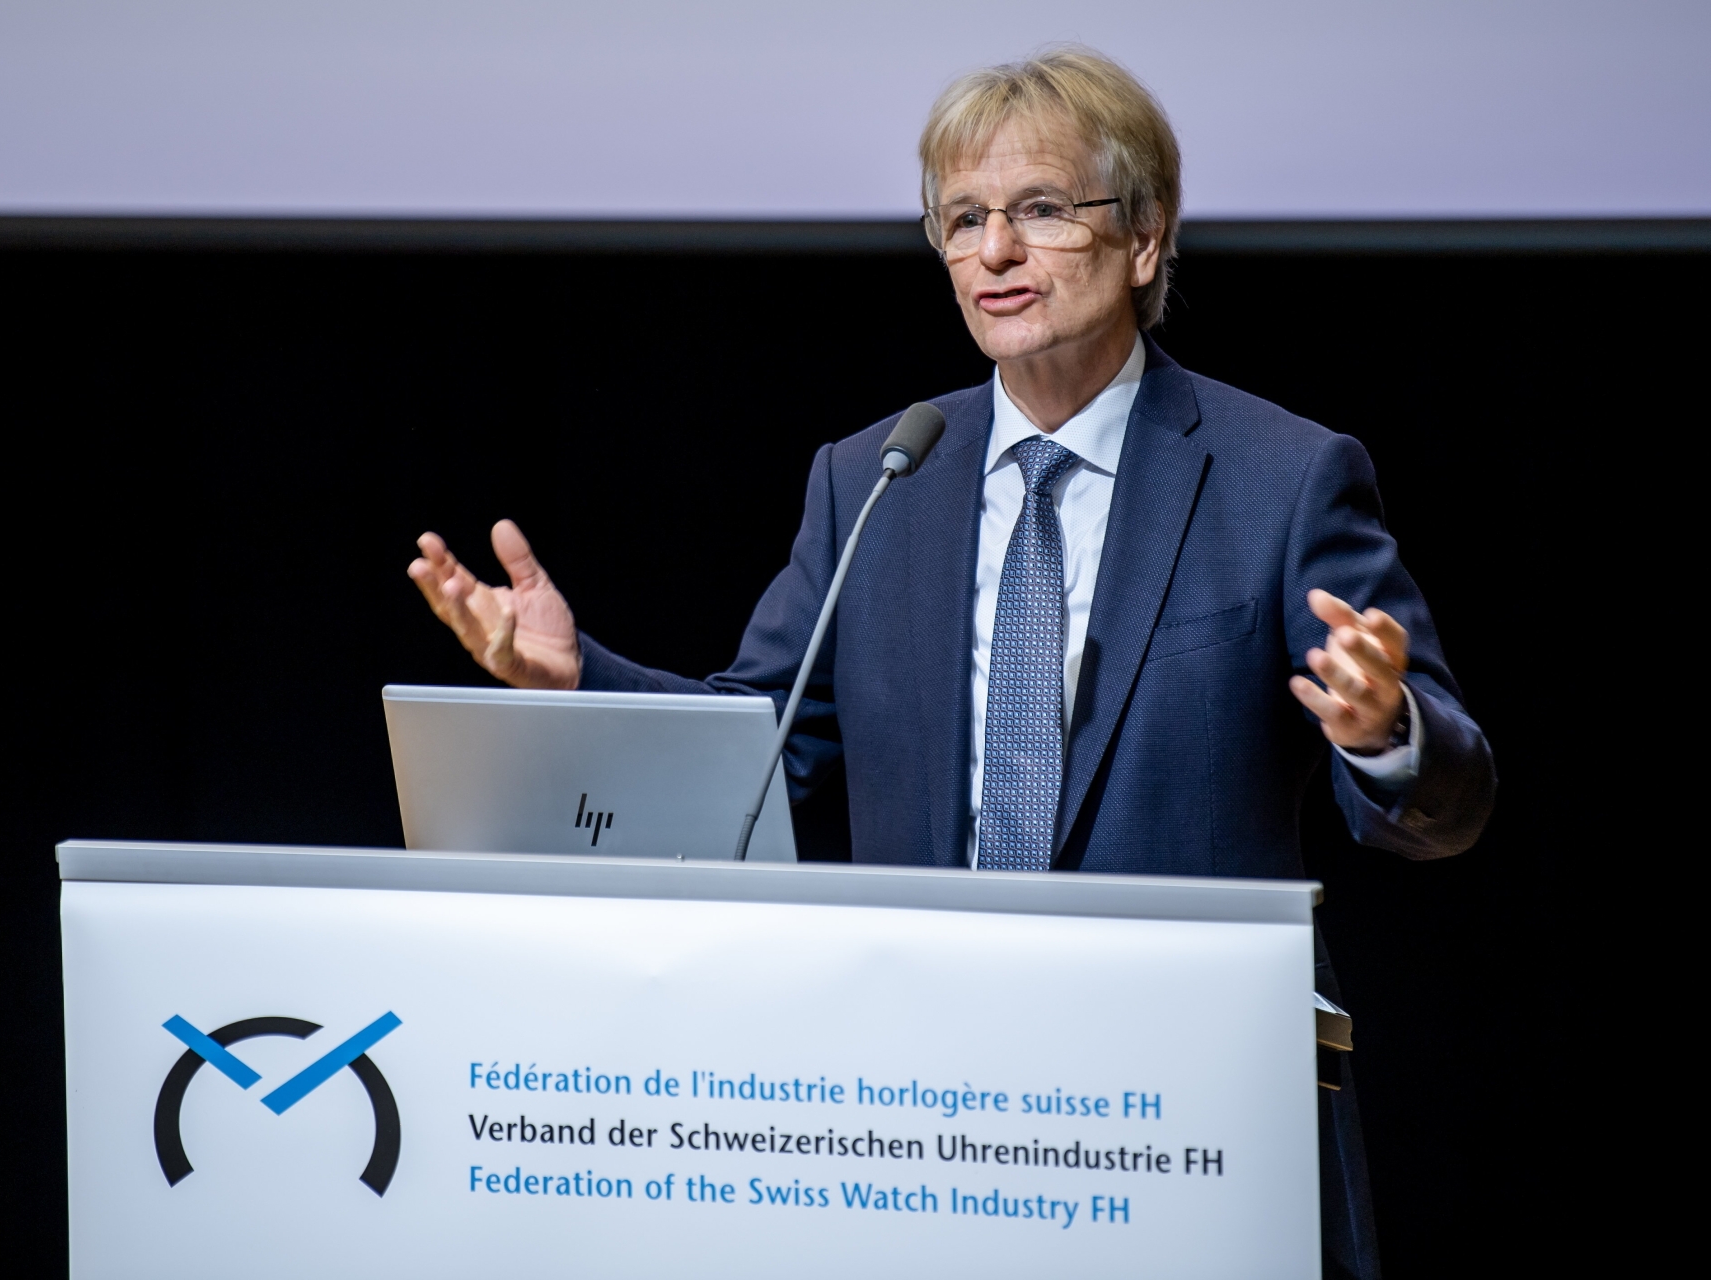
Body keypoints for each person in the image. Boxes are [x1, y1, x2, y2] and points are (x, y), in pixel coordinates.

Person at [407, 48, 1494, 1279]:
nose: (994, 253)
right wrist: (577, 678)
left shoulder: (1278, 476)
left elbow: (1449, 802)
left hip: (1190, 1119)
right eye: (963, 220)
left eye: (1039, 210)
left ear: (1144, 239)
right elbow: (754, 752)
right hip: (928, 1112)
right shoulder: (881, 476)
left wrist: (1383, 726)